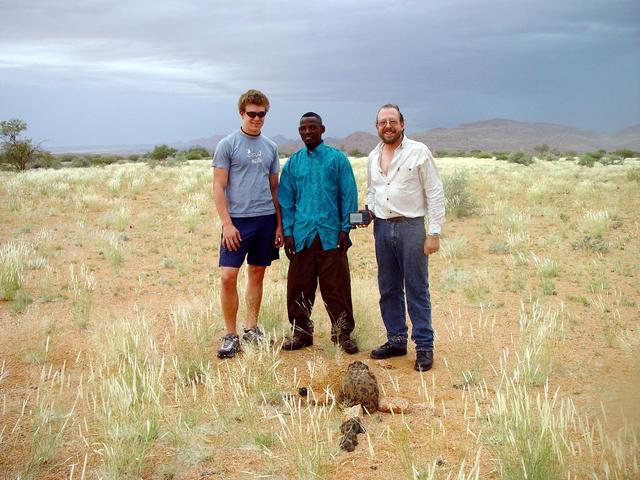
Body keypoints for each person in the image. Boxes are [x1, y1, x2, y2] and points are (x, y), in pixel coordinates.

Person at [365, 104, 445, 371]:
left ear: (402, 123)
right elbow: (372, 191)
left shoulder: (418, 152)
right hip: (383, 228)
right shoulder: (372, 156)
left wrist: (433, 233)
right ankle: (396, 340)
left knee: (416, 288)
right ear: (376, 127)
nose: (388, 126)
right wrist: (369, 211)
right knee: (388, 288)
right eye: (382, 122)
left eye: (392, 121)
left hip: (412, 228)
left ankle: (424, 346)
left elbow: (434, 193)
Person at [278, 112, 359, 354]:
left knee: (337, 287)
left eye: (312, 127)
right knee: (299, 287)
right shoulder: (294, 163)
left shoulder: (337, 159)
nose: (307, 132)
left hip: (331, 234)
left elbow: (349, 194)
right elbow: (286, 200)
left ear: (322, 129)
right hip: (302, 236)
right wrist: (289, 233)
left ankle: (342, 334)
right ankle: (301, 334)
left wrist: (346, 227)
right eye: (303, 128)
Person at [212, 89, 283, 359]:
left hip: (265, 218)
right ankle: (231, 335)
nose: (256, 118)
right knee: (228, 276)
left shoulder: (271, 147)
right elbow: (218, 187)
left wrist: (278, 225)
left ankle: (251, 328)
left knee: (257, 273)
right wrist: (226, 223)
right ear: (241, 113)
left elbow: (274, 189)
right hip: (237, 222)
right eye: (251, 114)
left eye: (261, 114)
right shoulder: (228, 145)